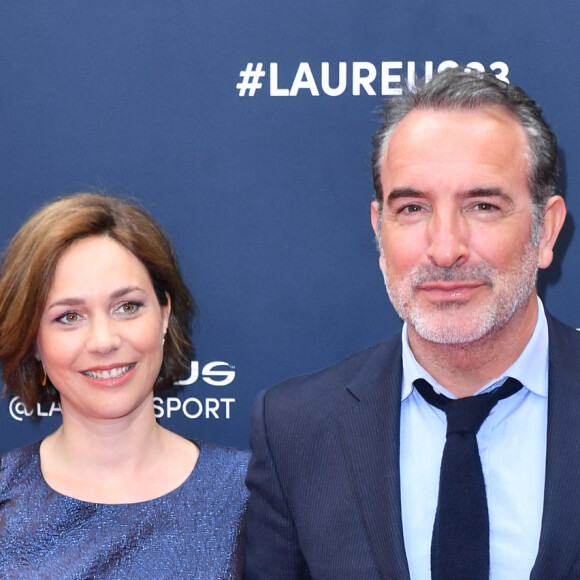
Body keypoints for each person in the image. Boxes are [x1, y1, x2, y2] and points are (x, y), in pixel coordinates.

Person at [243, 67, 579, 579]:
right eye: (413, 207)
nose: (445, 250)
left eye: (483, 205)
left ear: (546, 230)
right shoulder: (297, 429)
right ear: (380, 229)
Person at [0, 192, 249, 579]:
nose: (104, 341)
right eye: (68, 316)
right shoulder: (4, 496)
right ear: (33, 341)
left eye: (127, 307)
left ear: (164, 315)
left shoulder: (249, 495)